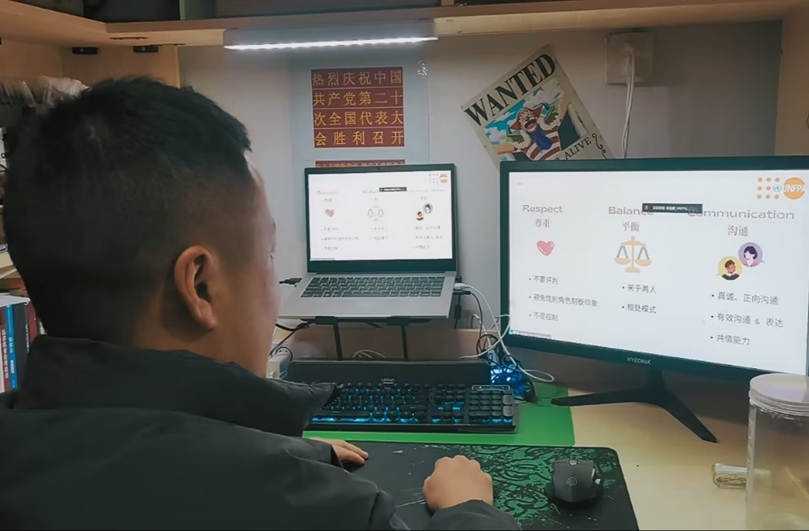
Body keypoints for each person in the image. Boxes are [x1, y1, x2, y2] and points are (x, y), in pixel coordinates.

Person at [0, 78, 518, 530]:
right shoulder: (320, 509)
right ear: (200, 286)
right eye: (268, 254)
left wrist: (277, 448)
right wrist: (468, 508)